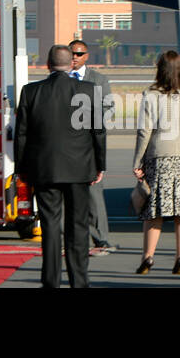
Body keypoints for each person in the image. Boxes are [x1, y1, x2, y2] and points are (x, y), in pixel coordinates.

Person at [14, 44, 106, 287]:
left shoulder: (31, 92)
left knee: (50, 226)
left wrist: (21, 169)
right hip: (80, 168)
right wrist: (100, 164)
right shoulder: (88, 90)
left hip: (44, 169)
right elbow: (98, 132)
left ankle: (51, 280)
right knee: (78, 225)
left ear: (48, 64)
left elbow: (22, 134)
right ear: (71, 64)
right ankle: (79, 279)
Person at [132, 50, 180, 274]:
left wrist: (138, 161)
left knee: (154, 210)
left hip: (160, 156)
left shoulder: (151, 94)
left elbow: (144, 131)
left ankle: (148, 257)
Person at [70, 39, 115, 254]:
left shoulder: (98, 79)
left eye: (79, 54)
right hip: (66, 145)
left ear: (87, 56)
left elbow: (108, 105)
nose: (75, 57)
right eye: (72, 54)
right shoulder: (60, 79)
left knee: (94, 196)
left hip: (88, 143)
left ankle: (101, 237)